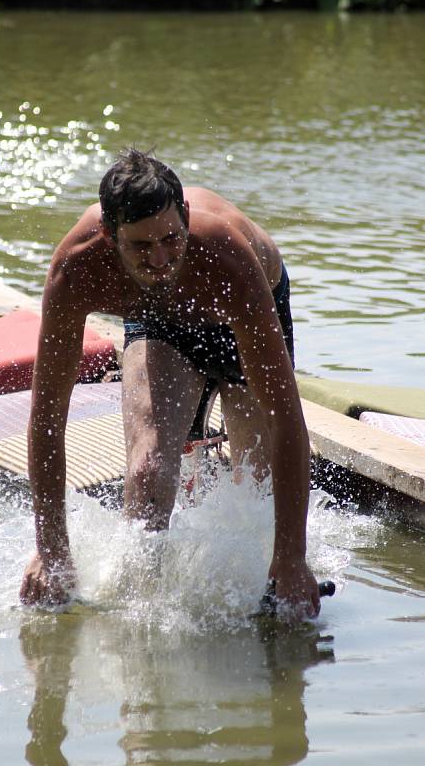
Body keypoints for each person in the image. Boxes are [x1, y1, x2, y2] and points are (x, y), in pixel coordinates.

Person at [20, 148, 320, 618]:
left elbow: (287, 420)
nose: (159, 259)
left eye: (170, 239)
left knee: (254, 492)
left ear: (184, 217)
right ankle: (140, 628)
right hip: (159, 325)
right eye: (140, 246)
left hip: (237, 313)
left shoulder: (228, 259)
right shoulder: (75, 270)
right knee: (149, 471)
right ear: (108, 236)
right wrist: (50, 550)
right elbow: (47, 419)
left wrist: (292, 558)